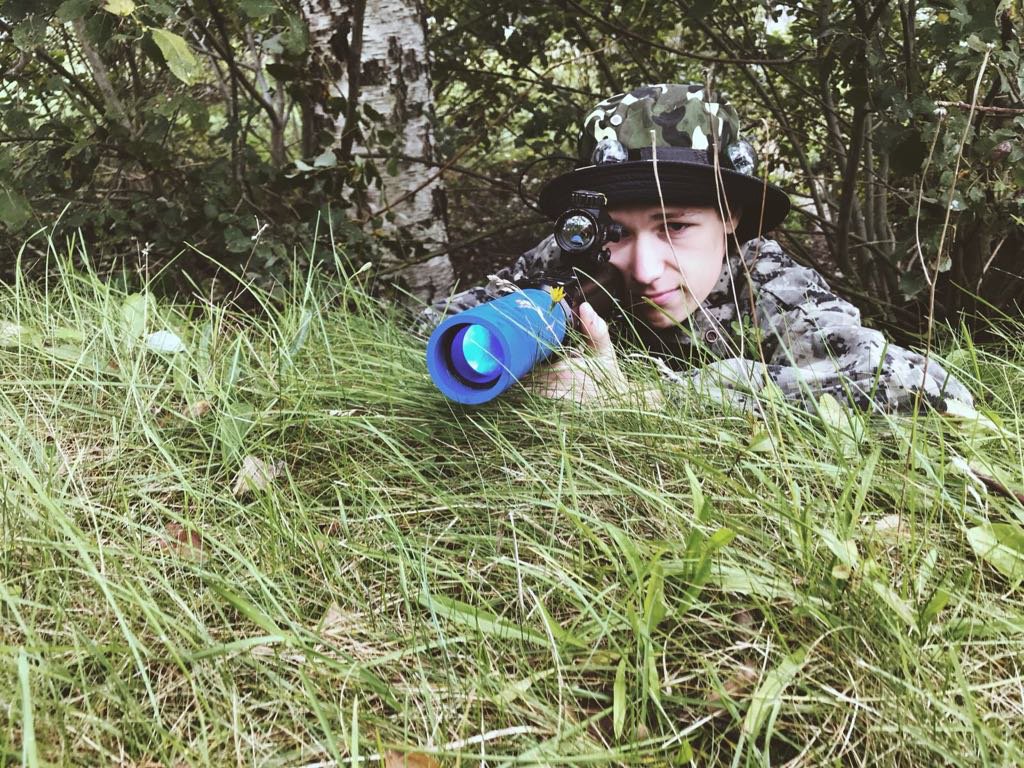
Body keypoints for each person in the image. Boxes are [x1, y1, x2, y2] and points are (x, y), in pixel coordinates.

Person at [419, 83, 974, 412]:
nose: (644, 269)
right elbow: (436, 330)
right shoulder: (576, 257)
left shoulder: (768, 286)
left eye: (676, 227)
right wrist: (533, 335)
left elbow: (926, 387)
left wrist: (653, 397)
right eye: (617, 232)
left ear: (730, 217)